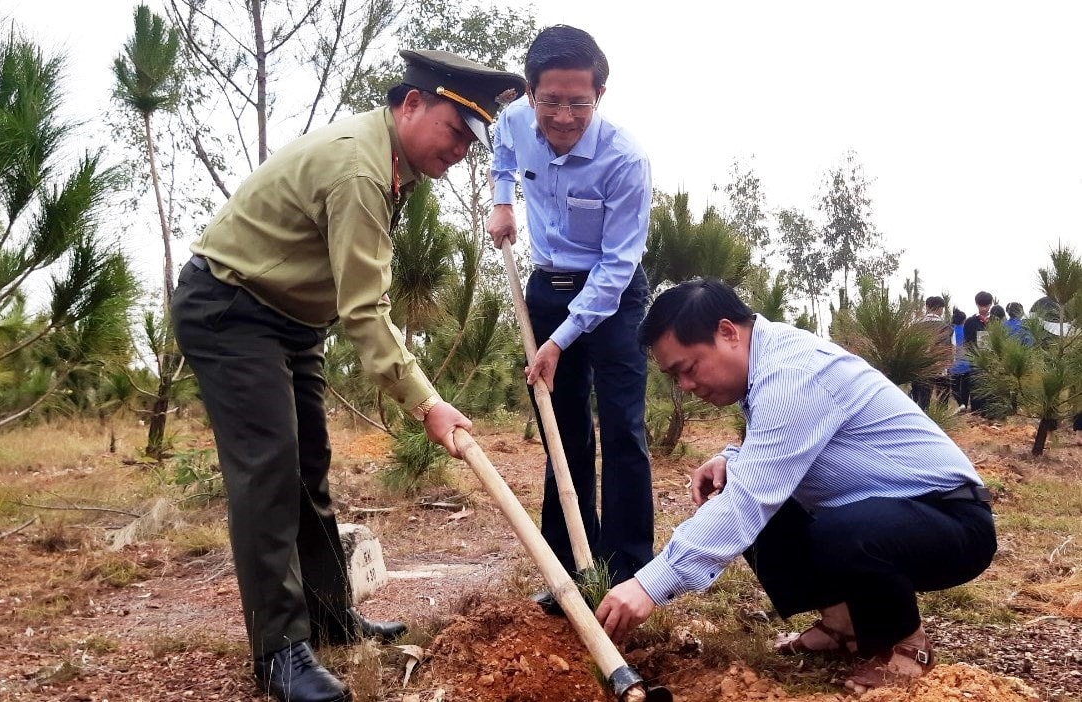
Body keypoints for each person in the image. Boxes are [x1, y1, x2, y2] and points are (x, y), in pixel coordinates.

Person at [171, 50, 525, 702]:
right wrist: (428, 403)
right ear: (410, 104)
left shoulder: (392, 162)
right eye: (454, 131)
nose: (460, 152)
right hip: (230, 306)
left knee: (309, 468)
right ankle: (279, 653)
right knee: (269, 469)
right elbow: (367, 311)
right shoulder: (361, 167)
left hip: (289, 320)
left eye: (472, 143)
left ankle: (329, 621)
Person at [595, 279, 996, 693]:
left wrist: (649, 583)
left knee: (835, 527)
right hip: (895, 514)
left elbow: (746, 503)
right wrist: (732, 459)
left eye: (688, 368)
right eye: (674, 376)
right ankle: (843, 626)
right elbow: (790, 450)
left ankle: (907, 645)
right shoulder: (770, 362)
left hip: (954, 523)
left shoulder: (793, 373)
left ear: (728, 332)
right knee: (743, 486)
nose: (686, 386)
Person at [486, 25, 654, 606]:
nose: (562, 117)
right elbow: (500, 149)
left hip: (614, 298)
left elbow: (616, 266)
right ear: (530, 94)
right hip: (546, 287)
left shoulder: (624, 161)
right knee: (564, 431)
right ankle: (570, 572)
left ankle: (629, 573)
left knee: (623, 428)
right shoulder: (513, 122)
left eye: (578, 102)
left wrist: (557, 340)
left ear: (599, 95)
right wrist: (502, 200)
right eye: (550, 101)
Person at [909, 296, 952, 410]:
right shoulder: (947, 328)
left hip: (921, 368)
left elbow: (910, 349)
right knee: (942, 399)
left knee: (922, 401)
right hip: (941, 368)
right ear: (941, 309)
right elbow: (952, 349)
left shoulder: (915, 326)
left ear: (927, 307)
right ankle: (941, 423)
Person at [959, 291, 994, 412]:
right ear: (976, 304)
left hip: (992, 362)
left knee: (992, 388)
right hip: (976, 362)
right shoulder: (970, 322)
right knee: (976, 388)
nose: (983, 308)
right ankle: (977, 412)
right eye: (981, 305)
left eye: (986, 305)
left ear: (991, 304)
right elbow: (967, 342)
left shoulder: (996, 321)